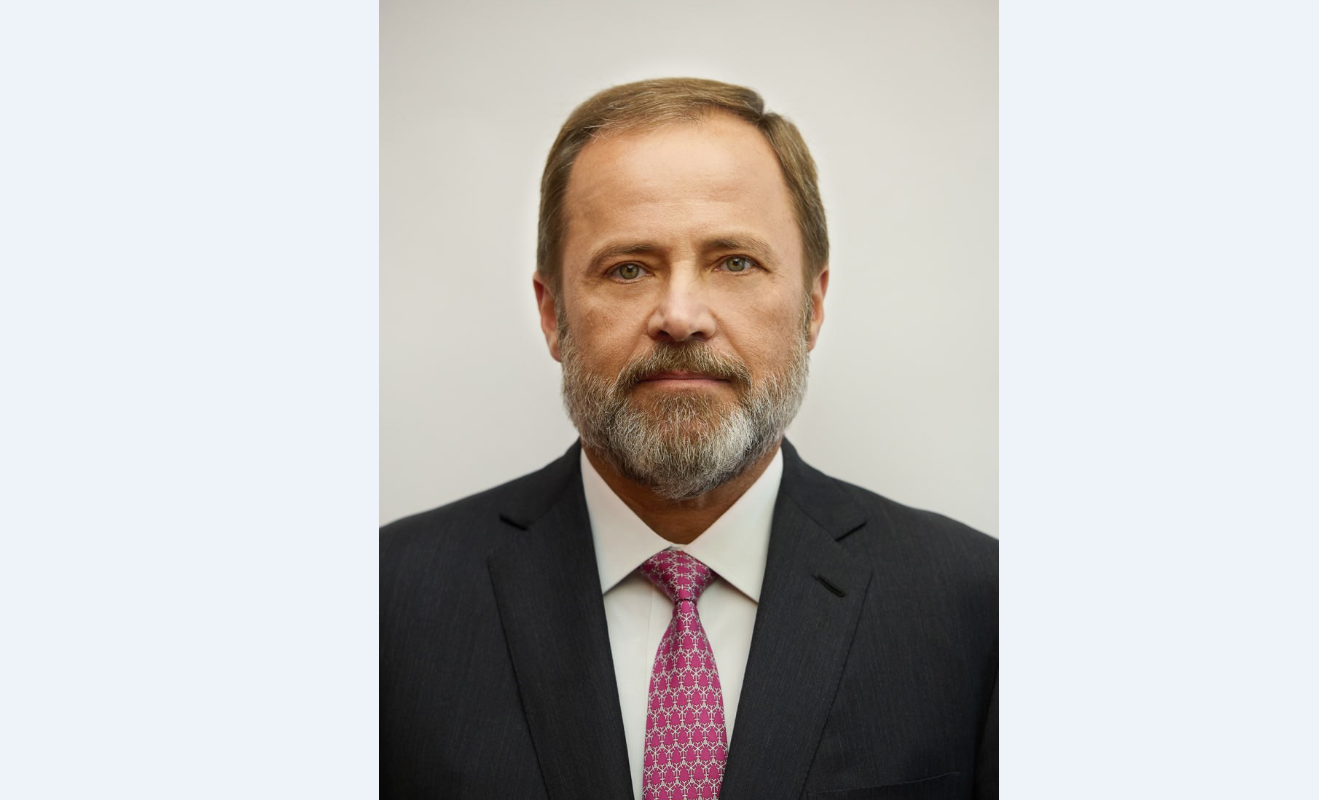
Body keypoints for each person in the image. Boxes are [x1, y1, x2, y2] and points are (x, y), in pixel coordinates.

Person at [381, 77, 997, 800]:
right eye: (628, 268)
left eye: (735, 262)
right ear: (552, 315)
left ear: (811, 306)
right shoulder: (385, 602)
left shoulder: (981, 606)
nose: (679, 316)